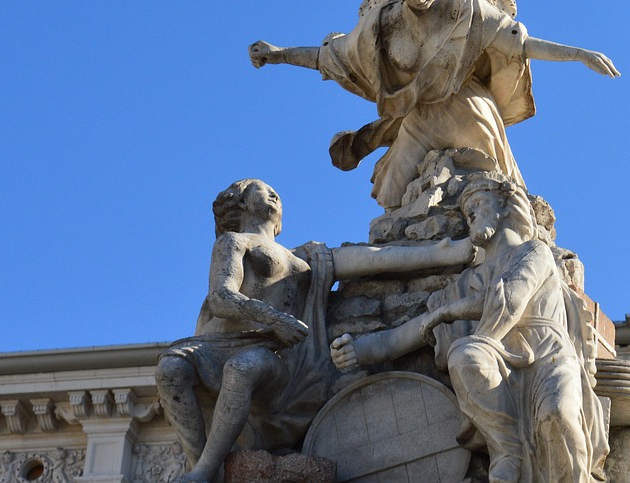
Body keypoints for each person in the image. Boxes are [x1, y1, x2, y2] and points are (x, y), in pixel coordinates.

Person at [249, 0, 618, 209]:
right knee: (393, 195)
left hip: (468, 110)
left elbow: (519, 44)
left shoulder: (466, 9)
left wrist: (581, 55)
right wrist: (279, 55)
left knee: (499, 192)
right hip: (420, 117)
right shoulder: (385, 24)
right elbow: (331, 57)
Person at [155, 179, 474, 483]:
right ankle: (202, 468)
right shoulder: (234, 242)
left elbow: (370, 259)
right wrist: (275, 319)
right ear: (241, 201)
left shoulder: (307, 258)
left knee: (243, 369)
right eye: (262, 189)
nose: (274, 195)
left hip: (273, 358)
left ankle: (204, 471)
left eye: (275, 192)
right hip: (224, 344)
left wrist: (440, 252)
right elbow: (221, 298)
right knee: (170, 367)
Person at [331, 172, 608, 483]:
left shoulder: (533, 252)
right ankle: (507, 451)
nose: (471, 214)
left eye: (478, 203)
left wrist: (447, 312)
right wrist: (357, 350)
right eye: (466, 211)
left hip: (547, 356)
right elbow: (406, 335)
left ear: (505, 207)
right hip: (496, 358)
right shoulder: (465, 284)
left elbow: (509, 299)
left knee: (557, 414)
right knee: (465, 353)